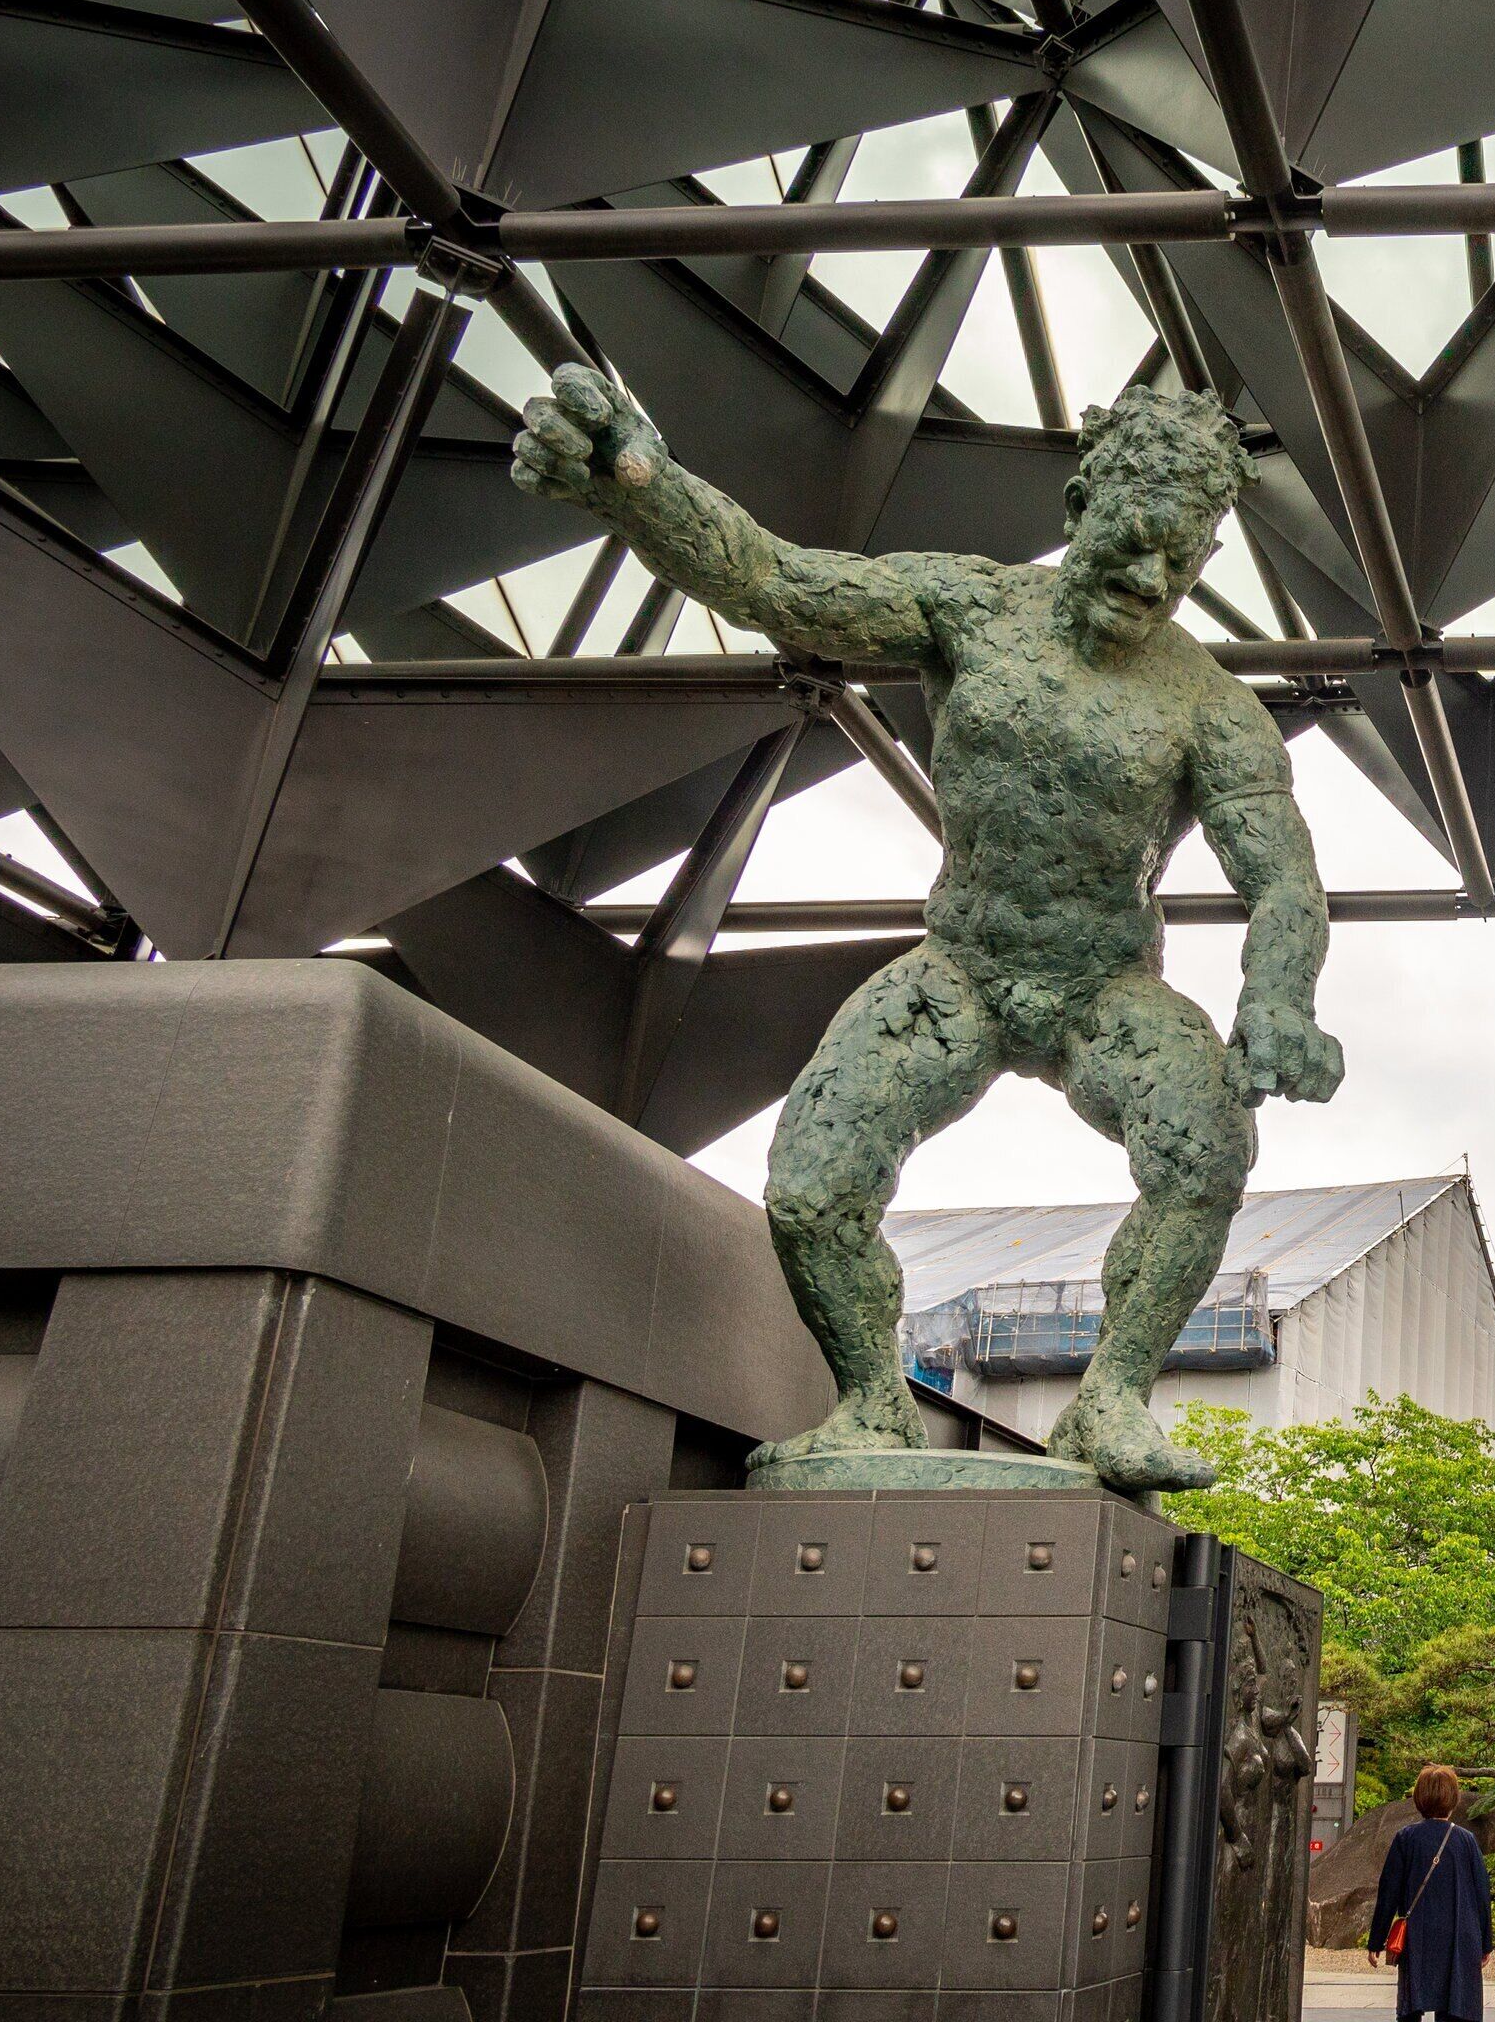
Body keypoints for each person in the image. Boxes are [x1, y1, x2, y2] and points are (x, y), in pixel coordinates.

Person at [508, 369, 1343, 1494]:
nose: (1153, 579)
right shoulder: (969, 608)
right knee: (811, 1186)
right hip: (962, 966)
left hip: (1103, 987)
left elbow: (1282, 872)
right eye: (1136, 541)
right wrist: (638, 487)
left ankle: (1107, 1402)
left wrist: (1280, 1000)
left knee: (1205, 1150)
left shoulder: (1209, 706)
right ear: (1081, 508)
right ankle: (871, 1402)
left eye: (1182, 560)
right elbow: (779, 583)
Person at [1367, 1766, 1495, 2022]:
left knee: (1413, 2001)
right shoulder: (1466, 1840)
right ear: (1453, 1799)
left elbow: (1389, 1892)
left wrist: (1376, 1940)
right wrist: (1485, 1943)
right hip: (1460, 1934)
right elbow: (1482, 1894)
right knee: (1455, 2001)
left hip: (1418, 1934)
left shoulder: (1406, 1838)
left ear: (1419, 1798)